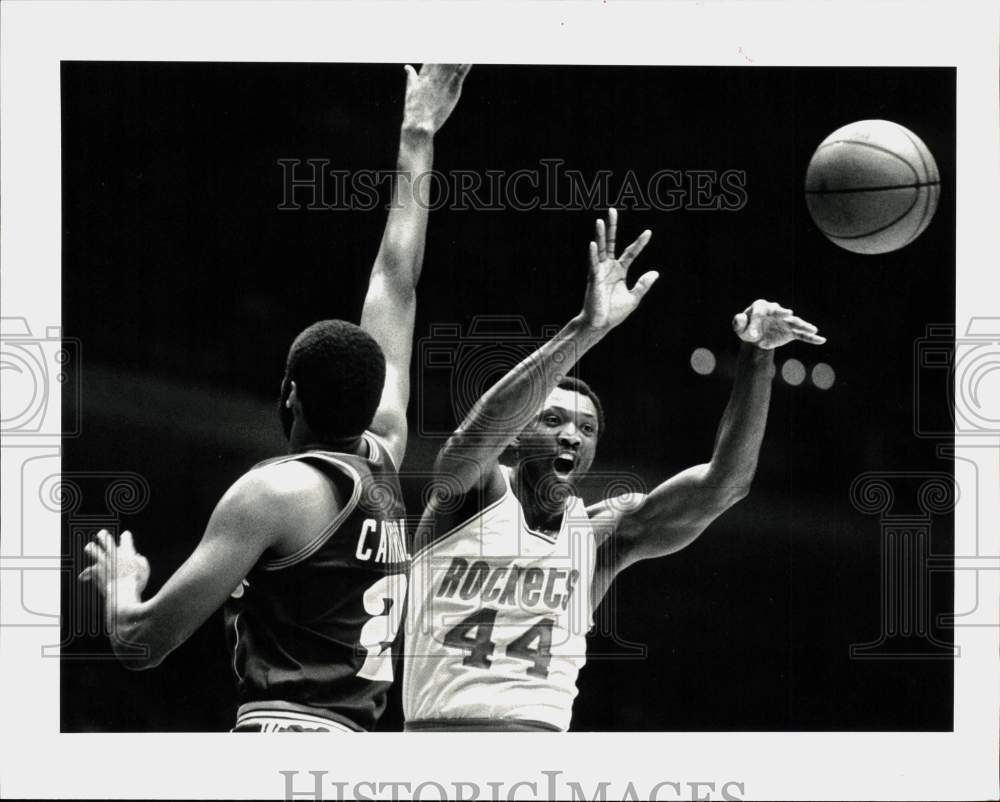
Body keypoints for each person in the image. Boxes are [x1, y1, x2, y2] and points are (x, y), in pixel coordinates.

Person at [78, 63, 471, 732]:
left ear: (289, 394)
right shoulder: (386, 451)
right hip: (354, 744)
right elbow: (396, 280)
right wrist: (418, 134)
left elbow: (142, 644)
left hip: (280, 736)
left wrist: (123, 583)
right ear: (376, 396)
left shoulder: (275, 494)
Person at [402, 208, 826, 731]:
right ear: (516, 433)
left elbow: (725, 485)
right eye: (552, 420)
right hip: (439, 745)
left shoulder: (602, 534)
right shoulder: (469, 495)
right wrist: (586, 329)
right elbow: (478, 430)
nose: (570, 435)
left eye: (586, 428)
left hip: (541, 757)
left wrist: (758, 356)